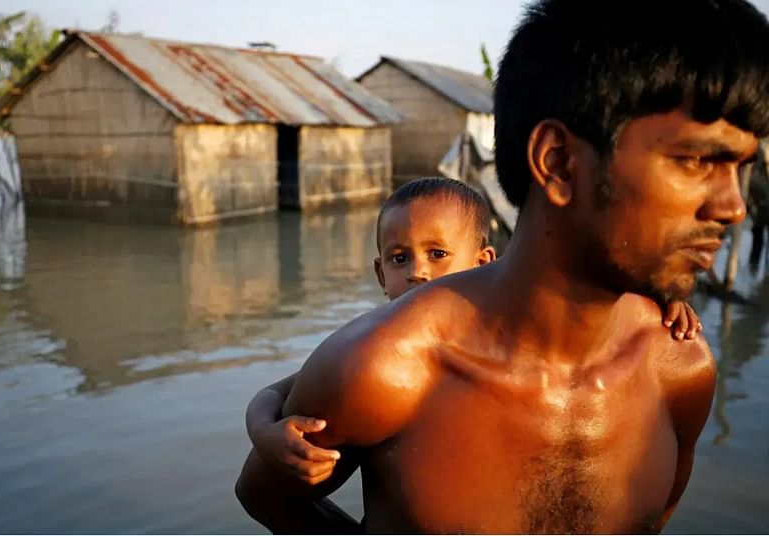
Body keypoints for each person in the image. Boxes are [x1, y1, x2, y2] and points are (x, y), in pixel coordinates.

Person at [236, 0, 769, 532]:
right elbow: (266, 496)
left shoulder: (681, 370)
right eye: (697, 161)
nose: (734, 207)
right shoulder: (386, 368)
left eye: (738, 168)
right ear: (558, 162)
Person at [244, 177, 701, 487]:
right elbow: (280, 390)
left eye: (438, 253)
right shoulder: (378, 351)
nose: (419, 271)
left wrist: (660, 295)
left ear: (483, 262)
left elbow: (576, 300)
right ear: (382, 276)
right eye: (400, 260)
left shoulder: (505, 331)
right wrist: (262, 430)